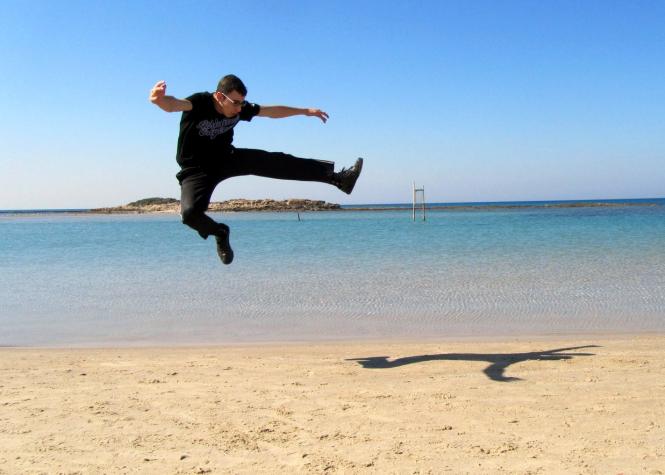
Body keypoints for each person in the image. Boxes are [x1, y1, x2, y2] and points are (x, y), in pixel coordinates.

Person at [149, 74, 363, 265]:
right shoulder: (199, 102)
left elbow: (271, 111)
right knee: (189, 215)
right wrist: (159, 100)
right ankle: (220, 232)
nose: (240, 108)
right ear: (219, 97)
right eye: (236, 103)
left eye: (242, 103)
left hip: (226, 158)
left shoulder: (239, 108)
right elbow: (174, 104)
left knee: (275, 161)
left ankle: (338, 179)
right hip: (195, 169)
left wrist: (305, 111)